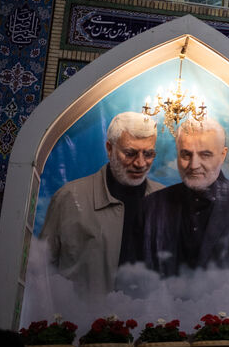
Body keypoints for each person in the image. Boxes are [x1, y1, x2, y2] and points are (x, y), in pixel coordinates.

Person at [121, 117, 229, 278]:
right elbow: (127, 283)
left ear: (223, 155)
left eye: (205, 155)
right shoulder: (148, 209)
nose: (194, 165)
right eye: (186, 154)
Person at [40, 112, 163, 296]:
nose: (140, 163)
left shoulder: (167, 202)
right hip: (78, 314)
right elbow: (40, 270)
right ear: (109, 148)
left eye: (148, 154)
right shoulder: (68, 198)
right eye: (130, 153)